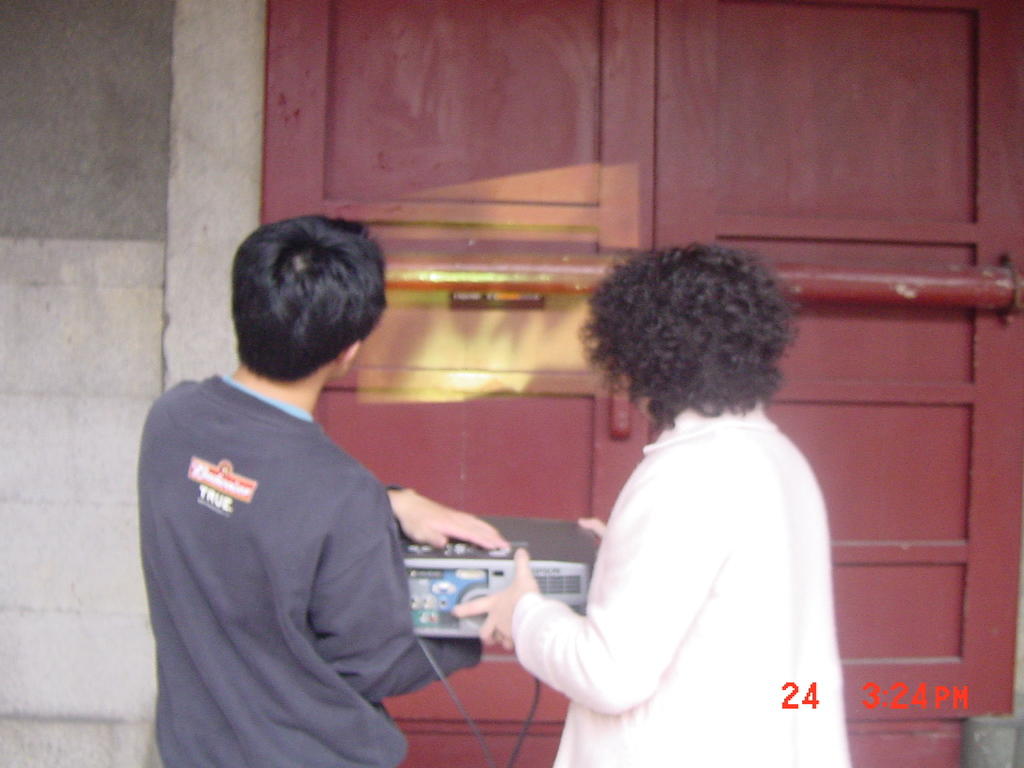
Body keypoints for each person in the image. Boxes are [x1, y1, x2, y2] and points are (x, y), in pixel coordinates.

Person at [455, 244, 852, 767]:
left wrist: (523, 613)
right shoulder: (781, 458)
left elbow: (609, 675)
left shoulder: (690, 469)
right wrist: (624, 557)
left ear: (642, 352)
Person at [137, 215, 506, 768]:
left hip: (192, 751)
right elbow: (374, 666)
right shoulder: (340, 493)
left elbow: (246, 492)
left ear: (243, 305)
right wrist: (479, 623)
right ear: (348, 351)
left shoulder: (170, 420)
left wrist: (389, 500)